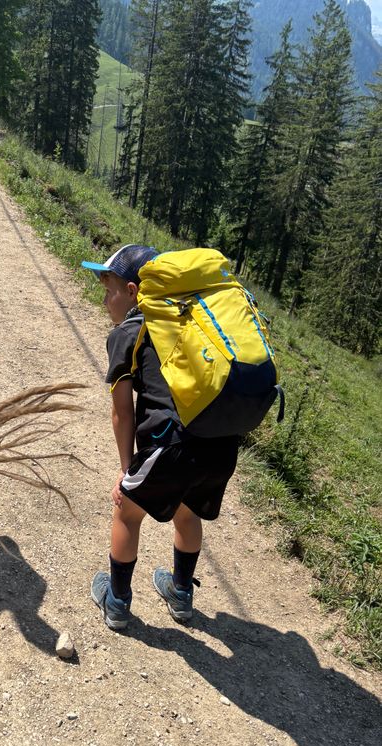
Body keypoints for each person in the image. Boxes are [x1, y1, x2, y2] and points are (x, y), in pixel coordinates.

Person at [82, 245, 241, 630]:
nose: (104, 299)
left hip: (172, 448)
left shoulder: (129, 332)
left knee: (127, 510)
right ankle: (181, 593)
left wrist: (125, 472)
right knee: (187, 510)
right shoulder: (190, 324)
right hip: (222, 445)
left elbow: (122, 411)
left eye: (109, 289)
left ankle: (116, 600)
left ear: (133, 291)